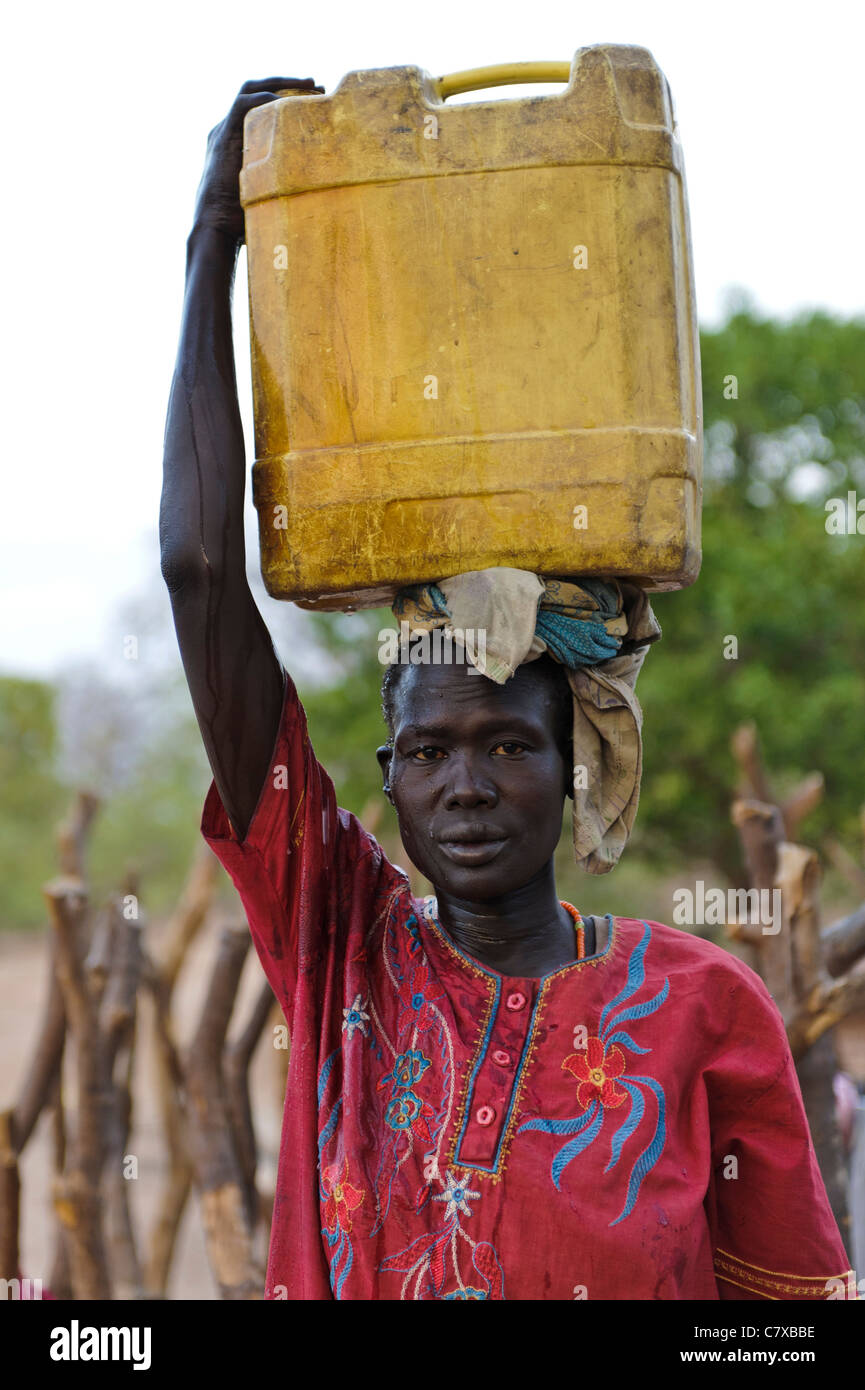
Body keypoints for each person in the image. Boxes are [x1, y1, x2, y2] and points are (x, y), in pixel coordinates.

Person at [160, 80, 853, 1301]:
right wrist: (212, 246)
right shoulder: (345, 955)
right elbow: (200, 568)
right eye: (427, 752)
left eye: (506, 746)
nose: (465, 786)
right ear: (387, 779)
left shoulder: (699, 1006)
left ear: (570, 760)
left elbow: (784, 1314)